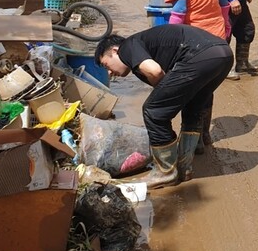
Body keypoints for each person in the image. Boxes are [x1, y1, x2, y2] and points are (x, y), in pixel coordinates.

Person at [94, 25, 233, 187]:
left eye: (106, 65)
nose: (109, 73)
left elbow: (155, 71)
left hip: (199, 55)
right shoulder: (143, 47)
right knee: (192, 107)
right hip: (224, 54)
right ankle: (184, 166)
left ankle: (165, 172)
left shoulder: (127, 47)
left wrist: (164, 100)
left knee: (153, 111)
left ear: (115, 51)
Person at [148, 0, 230, 150]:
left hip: (194, 43)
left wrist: (168, 41)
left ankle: (192, 143)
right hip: (218, 37)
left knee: (188, 91)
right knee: (207, 89)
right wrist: (227, 27)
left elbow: (180, 11)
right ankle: (205, 135)